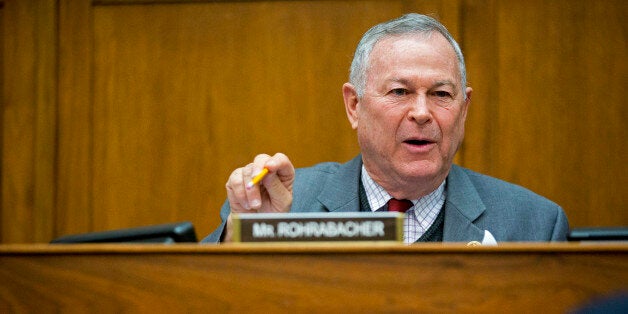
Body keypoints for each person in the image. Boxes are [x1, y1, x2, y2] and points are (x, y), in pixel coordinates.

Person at [202, 13, 569, 244]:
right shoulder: (282, 207)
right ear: (354, 106)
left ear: (464, 108)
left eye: (441, 94)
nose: (422, 113)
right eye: (400, 92)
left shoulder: (534, 224)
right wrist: (250, 240)